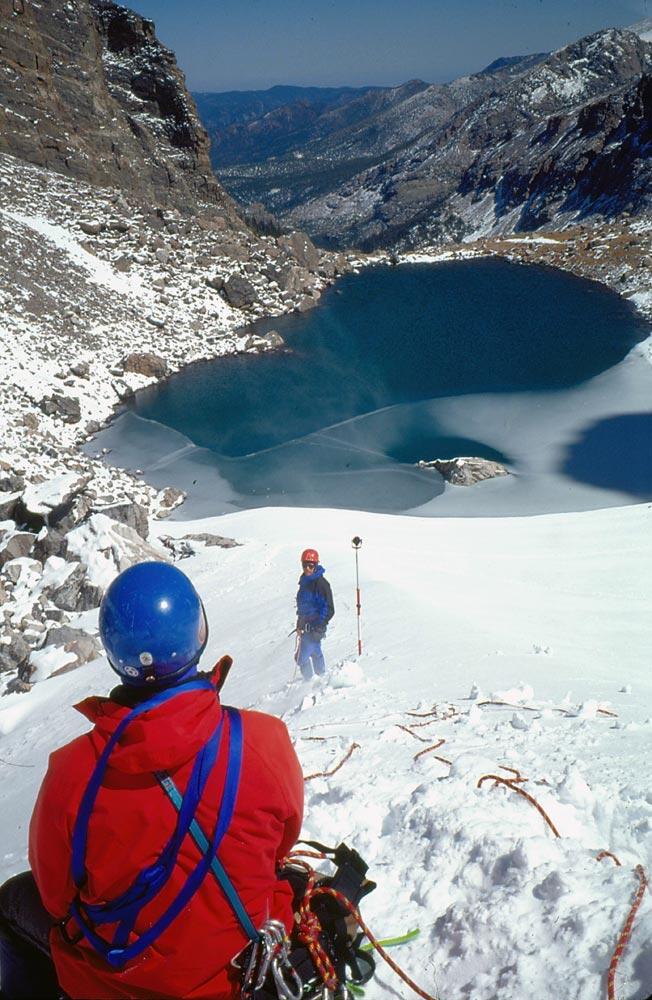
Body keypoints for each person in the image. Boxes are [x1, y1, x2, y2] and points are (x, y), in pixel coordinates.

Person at [0, 561, 304, 1000]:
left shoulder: (73, 772)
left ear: (114, 652)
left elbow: (56, 898)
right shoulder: (262, 740)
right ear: (198, 632)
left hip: (118, 984)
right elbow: (282, 843)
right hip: (236, 974)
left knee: (13, 901)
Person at [295, 548, 334, 680]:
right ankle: (321, 677)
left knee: (300, 658)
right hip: (306, 626)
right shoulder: (304, 582)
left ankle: (309, 681)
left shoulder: (321, 584)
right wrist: (299, 623)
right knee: (315, 652)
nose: (307, 568)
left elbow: (329, 608)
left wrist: (320, 625)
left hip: (315, 626)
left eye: (310, 565)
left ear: (316, 565)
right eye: (305, 565)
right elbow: (303, 606)